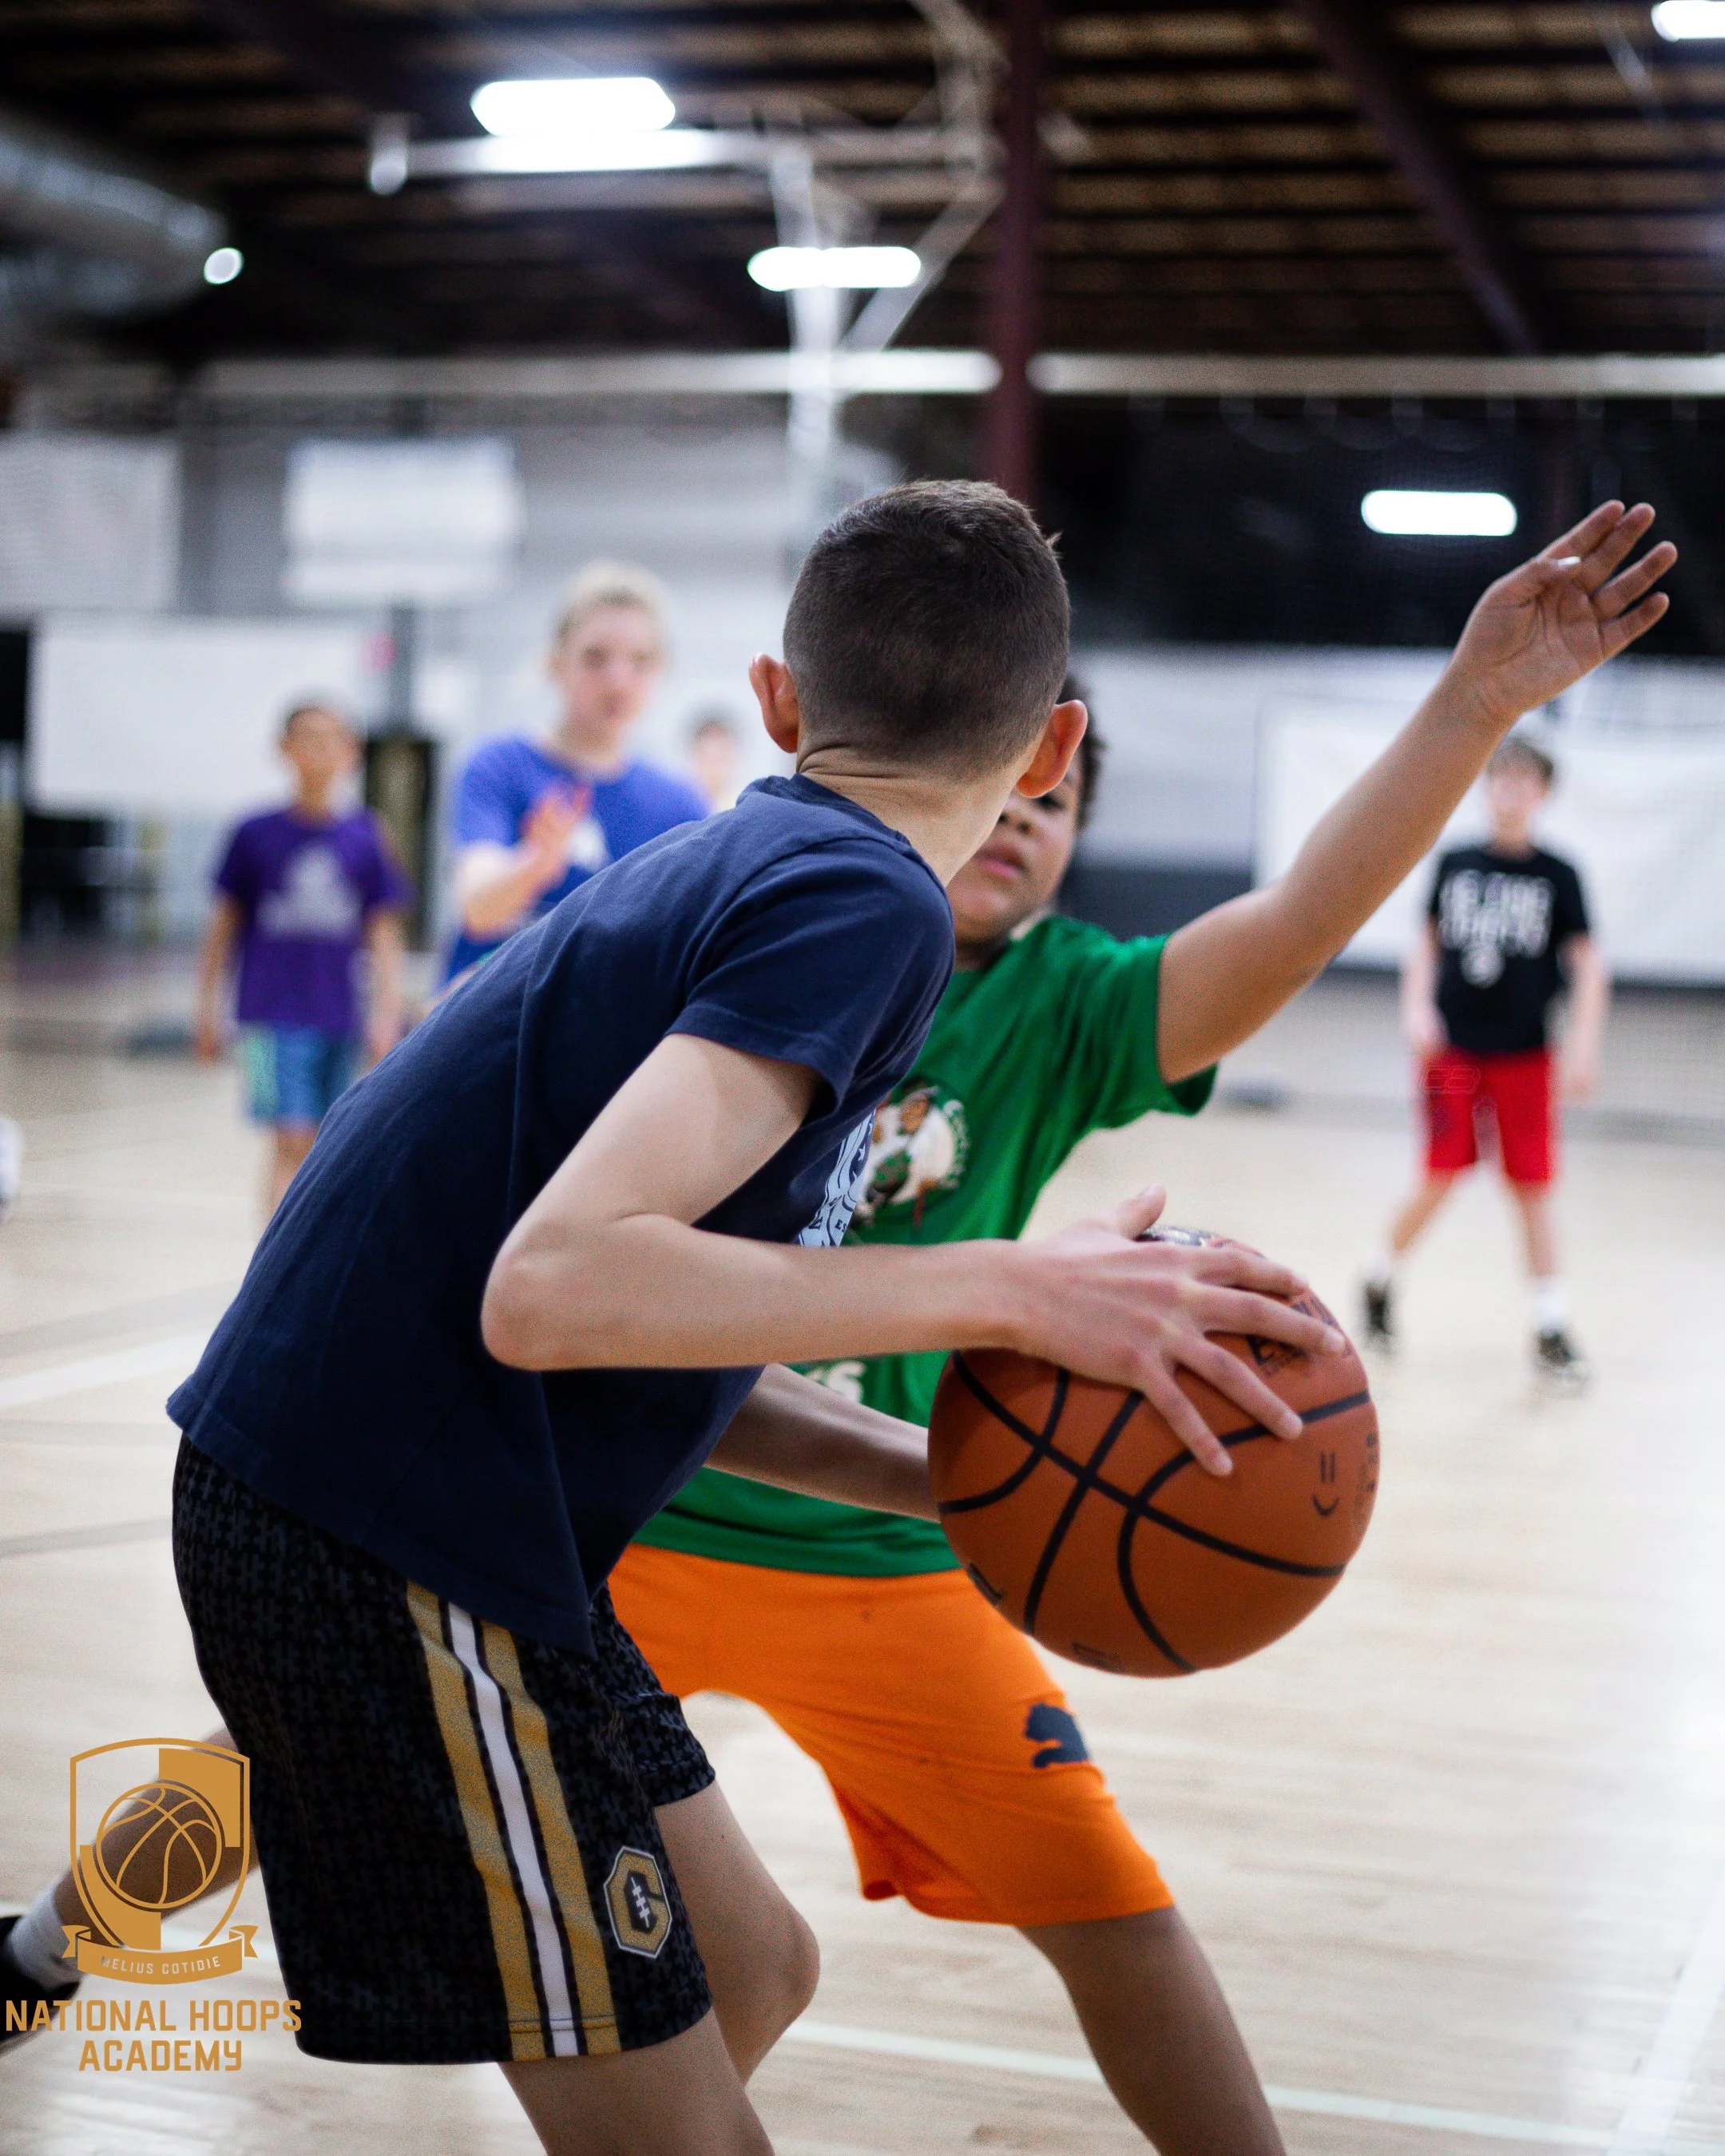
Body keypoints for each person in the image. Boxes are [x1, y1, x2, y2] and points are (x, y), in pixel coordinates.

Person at [2, 494, 1673, 2156]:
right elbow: (557, 1285)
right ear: (1046, 743)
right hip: (396, 1527)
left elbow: (652, 1342)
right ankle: (43, 1957)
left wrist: (966, 1486)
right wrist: (1017, 1285)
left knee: (755, 1959)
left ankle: (25, 1956)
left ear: (785, 706)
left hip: (449, 1501)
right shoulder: (858, 902)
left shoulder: (769, 865)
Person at [1361, 733, 1609, 1385]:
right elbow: (1426, 944)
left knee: (1532, 1186)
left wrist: (1583, 1044)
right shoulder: (1457, 862)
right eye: (1499, 778)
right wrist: (1416, 1008)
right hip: (1455, 1052)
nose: (1510, 791)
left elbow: (1588, 965)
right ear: (1485, 787)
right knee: (1442, 1173)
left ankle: (1550, 1326)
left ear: (1543, 794)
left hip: (1527, 1055)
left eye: (1523, 780)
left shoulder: (1559, 875)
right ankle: (1379, 1279)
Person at [193, 700, 408, 1217]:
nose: (319, 749)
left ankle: (298, 1267)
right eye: (307, 737)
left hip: (338, 1015)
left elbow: (382, 932)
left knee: (324, 1145)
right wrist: (206, 1009)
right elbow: (222, 929)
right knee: (291, 1138)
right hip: (270, 1015)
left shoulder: (366, 836)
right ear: (284, 749)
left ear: (351, 752)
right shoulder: (254, 833)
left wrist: (387, 1012)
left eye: (332, 737)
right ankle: (273, 1270)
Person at [446, 561, 708, 978]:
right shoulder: (498, 766)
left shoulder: (679, 806)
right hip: (490, 1019)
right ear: (555, 662)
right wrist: (534, 864)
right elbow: (478, 905)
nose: (618, 680)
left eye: (639, 661)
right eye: (595, 657)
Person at [688, 711, 744, 811]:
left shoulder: (743, 808)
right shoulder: (684, 805)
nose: (715, 768)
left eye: (720, 758)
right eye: (709, 758)